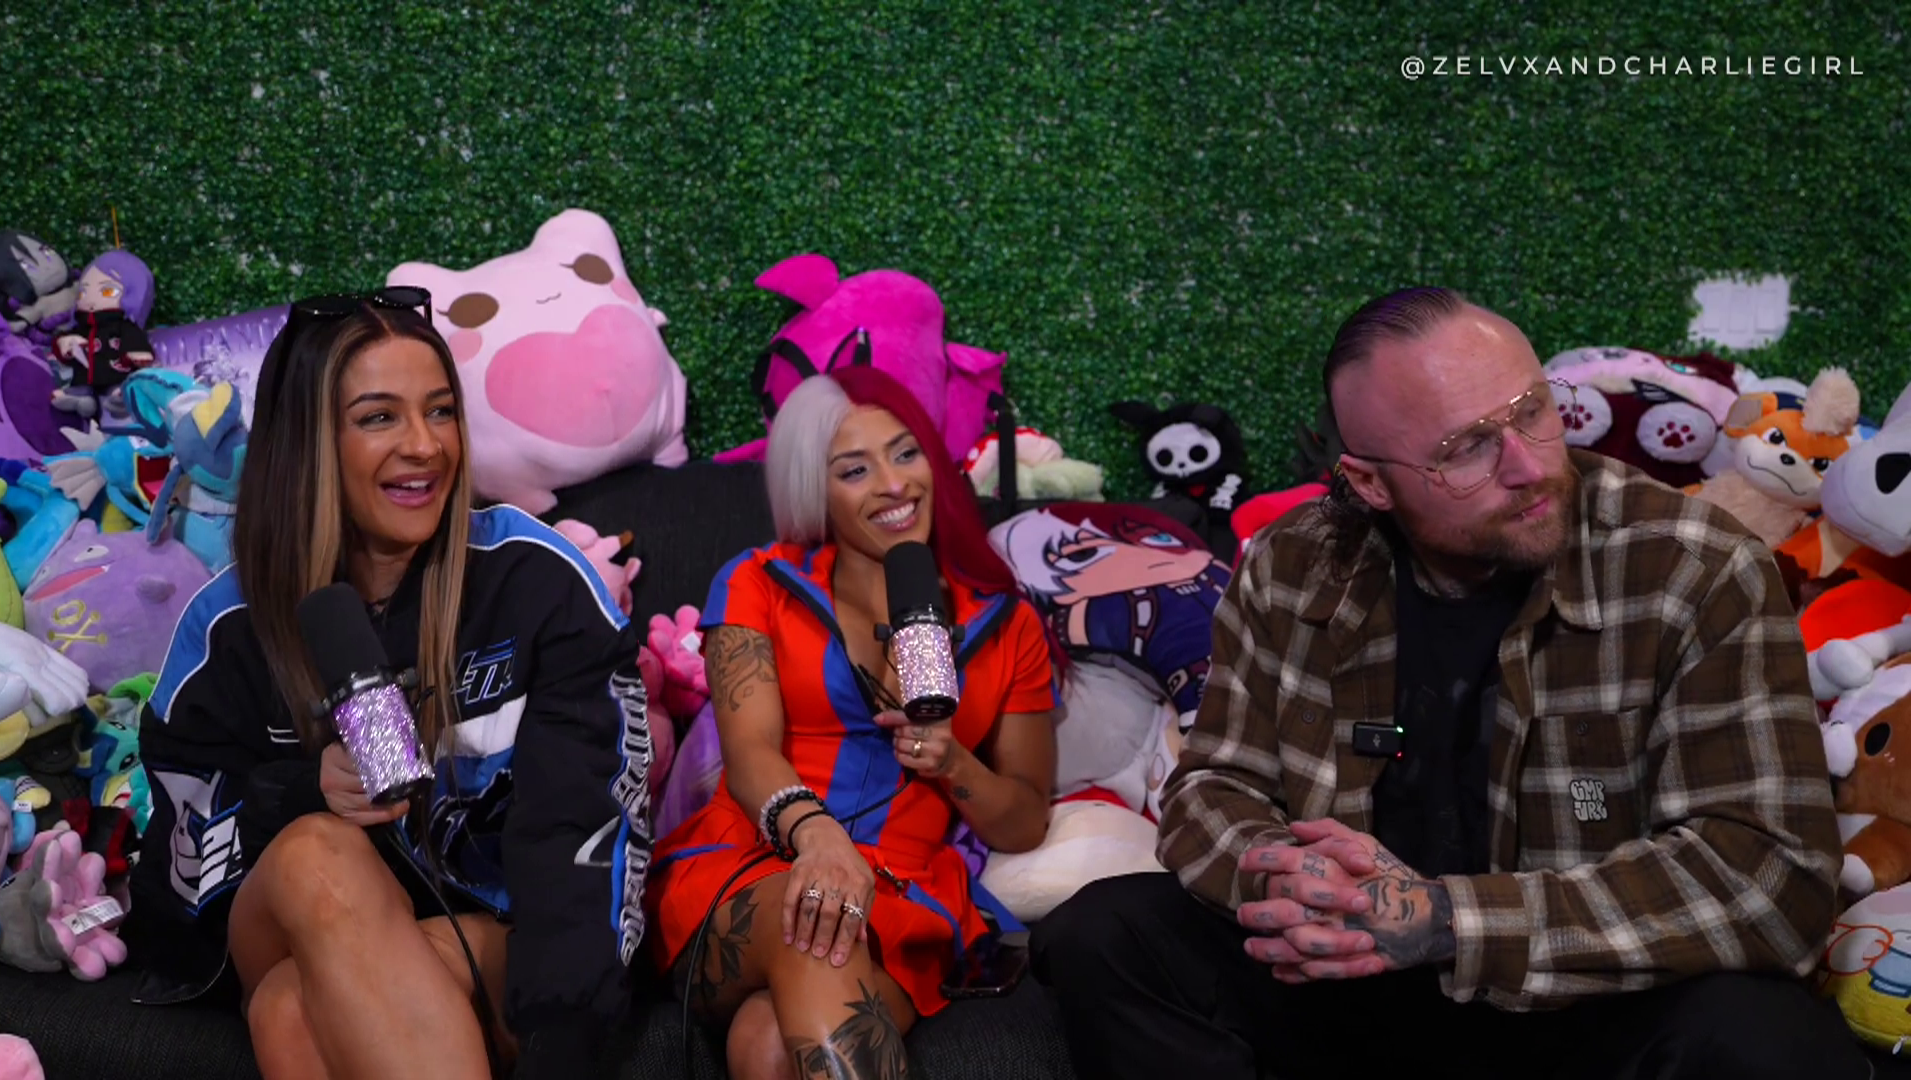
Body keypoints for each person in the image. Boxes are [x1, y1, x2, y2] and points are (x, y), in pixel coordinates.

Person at [1031, 286, 1865, 1079]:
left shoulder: (1696, 566)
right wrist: (1287, 878)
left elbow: (1772, 875)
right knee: (1102, 935)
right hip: (1348, 989)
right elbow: (1215, 784)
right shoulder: (1296, 563)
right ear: (1369, 482)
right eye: (1464, 449)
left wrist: (1445, 921)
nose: (1528, 465)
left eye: (1533, 410)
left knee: (1769, 1039)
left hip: (1583, 1000)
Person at [129, 286, 652, 1080]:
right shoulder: (224, 627)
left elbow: (587, 829)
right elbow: (180, 866)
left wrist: (563, 1043)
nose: (425, 445)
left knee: (289, 1011)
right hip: (282, 915)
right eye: (379, 417)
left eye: (441, 411)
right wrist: (304, 791)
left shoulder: (537, 582)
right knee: (313, 855)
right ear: (307, 443)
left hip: (497, 937)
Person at [645, 366, 1059, 1080]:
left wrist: (953, 762)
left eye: (905, 453)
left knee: (766, 1047)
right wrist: (820, 841)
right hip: (748, 866)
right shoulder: (758, 581)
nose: (894, 485)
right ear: (815, 489)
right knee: (815, 912)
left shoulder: (1007, 623)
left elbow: (1023, 822)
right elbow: (748, 753)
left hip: (903, 900)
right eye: (855, 469)